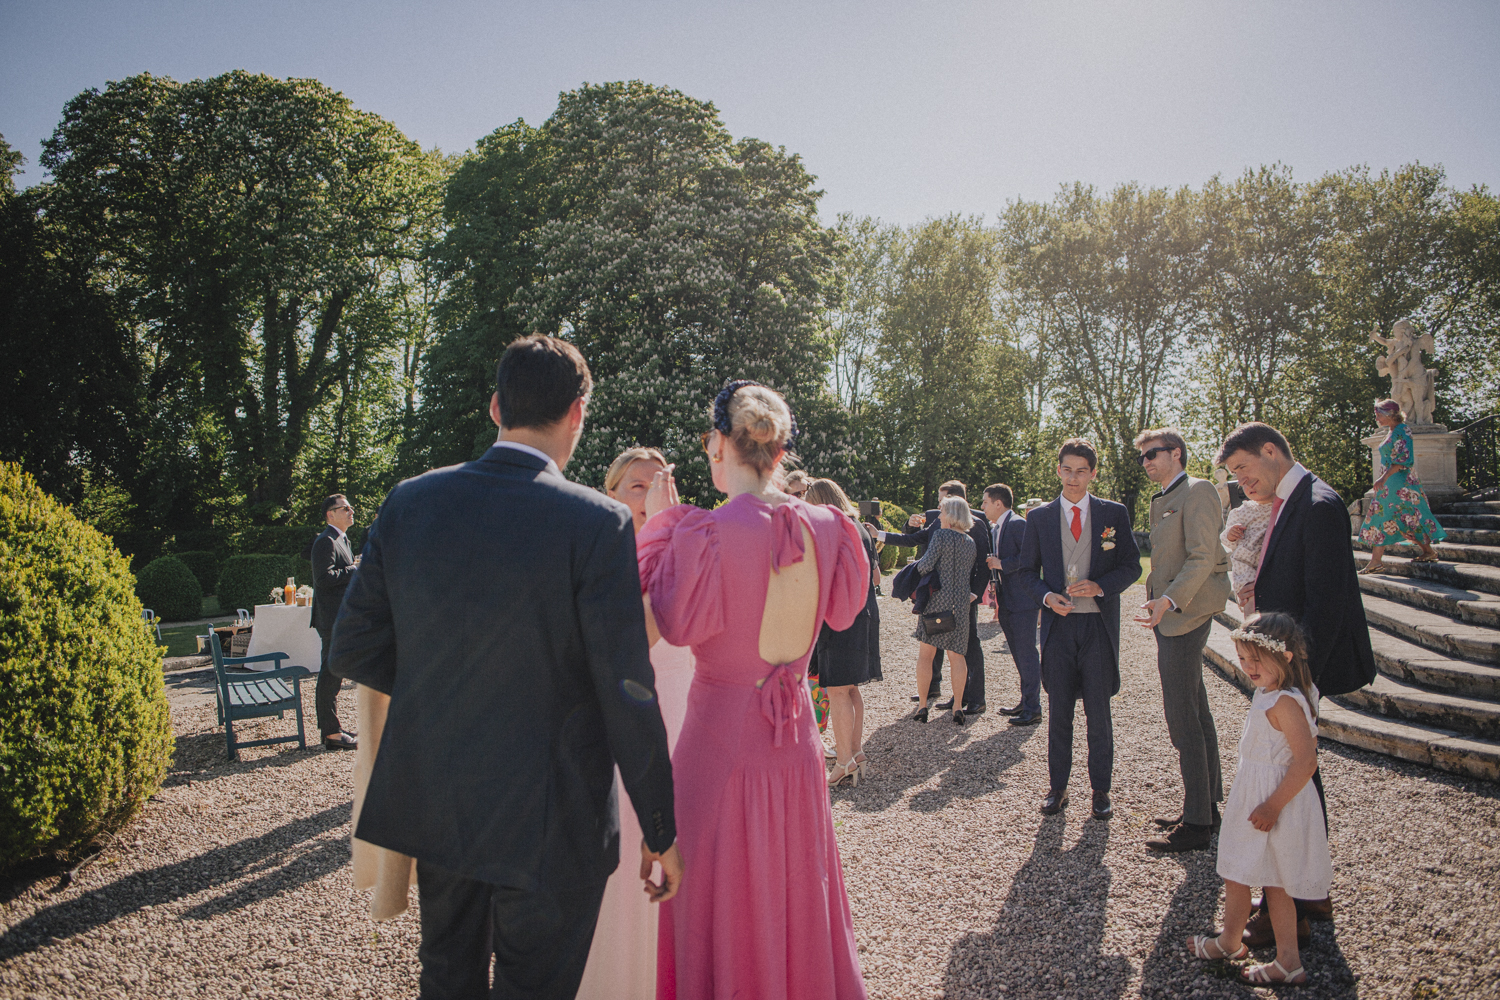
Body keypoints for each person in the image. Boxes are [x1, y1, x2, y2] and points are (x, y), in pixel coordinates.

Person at [328, 336, 682, 998]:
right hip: (555, 812)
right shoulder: (597, 522)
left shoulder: (410, 501)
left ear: (496, 407)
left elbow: (352, 644)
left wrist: (443, 682)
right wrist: (660, 826)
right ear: (577, 413)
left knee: (447, 979)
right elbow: (627, 687)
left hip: (441, 796)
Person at [639, 379, 869, 1000]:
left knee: (714, 913)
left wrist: (660, 524)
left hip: (717, 753)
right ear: (779, 449)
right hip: (797, 749)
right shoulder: (830, 527)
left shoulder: (704, 533)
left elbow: (662, 627)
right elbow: (844, 612)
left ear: (719, 444)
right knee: (797, 899)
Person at [1216, 420, 1374, 945]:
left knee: (1289, 783)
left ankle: (1291, 909)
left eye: (1244, 469)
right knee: (1299, 781)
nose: (1242, 482)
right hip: (1283, 663)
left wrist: (1296, 684)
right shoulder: (1285, 501)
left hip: (1297, 669)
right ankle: (1310, 892)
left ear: (1271, 450)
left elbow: (1326, 605)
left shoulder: (1319, 504)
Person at [578, 447, 697, 1000]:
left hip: (688, 724)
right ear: (610, 495)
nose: (649, 496)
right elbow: (629, 642)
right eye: (635, 486)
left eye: (659, 484)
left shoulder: (693, 552)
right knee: (624, 861)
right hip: (627, 730)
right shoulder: (600, 558)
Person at [1186, 613, 1330, 986]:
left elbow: (1307, 761)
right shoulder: (1271, 691)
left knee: (1256, 876)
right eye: (1243, 659)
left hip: (1271, 803)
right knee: (1256, 876)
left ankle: (1256, 951)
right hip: (1256, 795)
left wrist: (1272, 805)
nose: (1248, 667)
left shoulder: (1284, 702)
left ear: (1285, 657)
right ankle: (1255, 950)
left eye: (1256, 660)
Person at [1015, 438, 1142, 821]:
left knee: (1099, 714)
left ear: (1093, 474)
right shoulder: (1039, 518)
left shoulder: (1113, 513)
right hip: (1058, 628)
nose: (1073, 478)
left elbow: (1132, 566)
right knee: (1059, 713)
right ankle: (1058, 788)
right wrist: (1046, 597)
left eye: (1081, 471)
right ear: (1058, 470)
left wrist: (1101, 586)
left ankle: (1101, 790)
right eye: (1067, 470)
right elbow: (1025, 572)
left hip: (1098, 628)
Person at [1133, 428, 1232, 853]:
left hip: (1187, 612)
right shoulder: (1166, 496)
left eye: (1152, 454)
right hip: (1173, 612)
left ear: (1176, 452)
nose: (1146, 462)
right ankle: (1205, 807)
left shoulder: (1199, 490)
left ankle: (1196, 826)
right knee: (1195, 709)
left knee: (1182, 716)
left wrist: (1169, 599)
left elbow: (1203, 556)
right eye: (1142, 457)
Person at [866, 480, 991, 712]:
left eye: (941, 501)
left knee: (966, 646)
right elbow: (913, 538)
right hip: (949, 595)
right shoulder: (944, 524)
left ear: (953, 500)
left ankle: (975, 698)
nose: (937, 506)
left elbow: (983, 563)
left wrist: (974, 592)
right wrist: (880, 534)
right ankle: (939, 691)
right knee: (946, 647)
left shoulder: (977, 523)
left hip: (961, 597)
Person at [805, 478, 883, 786]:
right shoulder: (859, 526)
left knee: (837, 689)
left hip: (842, 615)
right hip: (864, 611)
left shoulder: (834, 528)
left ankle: (844, 761)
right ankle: (855, 752)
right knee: (851, 688)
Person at [909, 496, 978, 725]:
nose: (939, 516)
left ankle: (922, 706)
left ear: (950, 515)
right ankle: (958, 706)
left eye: (942, 512)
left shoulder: (940, 536)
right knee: (957, 657)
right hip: (960, 606)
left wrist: (914, 568)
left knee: (926, 656)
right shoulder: (970, 542)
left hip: (936, 603)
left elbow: (925, 565)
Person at [1359, 399, 1447, 573]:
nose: (1377, 419)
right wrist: (1384, 479)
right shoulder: (1392, 431)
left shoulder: (1402, 430)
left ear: (1390, 414)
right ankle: (1379, 560)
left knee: (1403, 516)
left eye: (1379, 415)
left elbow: (1404, 458)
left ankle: (1379, 561)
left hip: (1400, 483)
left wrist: (1383, 477)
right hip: (1390, 484)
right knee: (1389, 516)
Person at [981, 484, 1042, 726]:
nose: (983, 507)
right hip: (1007, 600)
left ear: (998, 503)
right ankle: (1025, 701)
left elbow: (1031, 558)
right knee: (1018, 653)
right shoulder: (997, 527)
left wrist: (1001, 564)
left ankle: (1033, 708)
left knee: (1026, 654)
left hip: (1023, 601)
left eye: (985, 502)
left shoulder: (1017, 524)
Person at [309, 494, 359, 751]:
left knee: (336, 672)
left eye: (351, 507)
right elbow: (324, 579)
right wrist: (355, 568)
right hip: (330, 619)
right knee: (330, 674)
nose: (351, 511)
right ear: (330, 514)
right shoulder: (325, 541)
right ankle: (331, 733)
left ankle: (333, 728)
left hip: (342, 617)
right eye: (345, 508)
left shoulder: (343, 540)